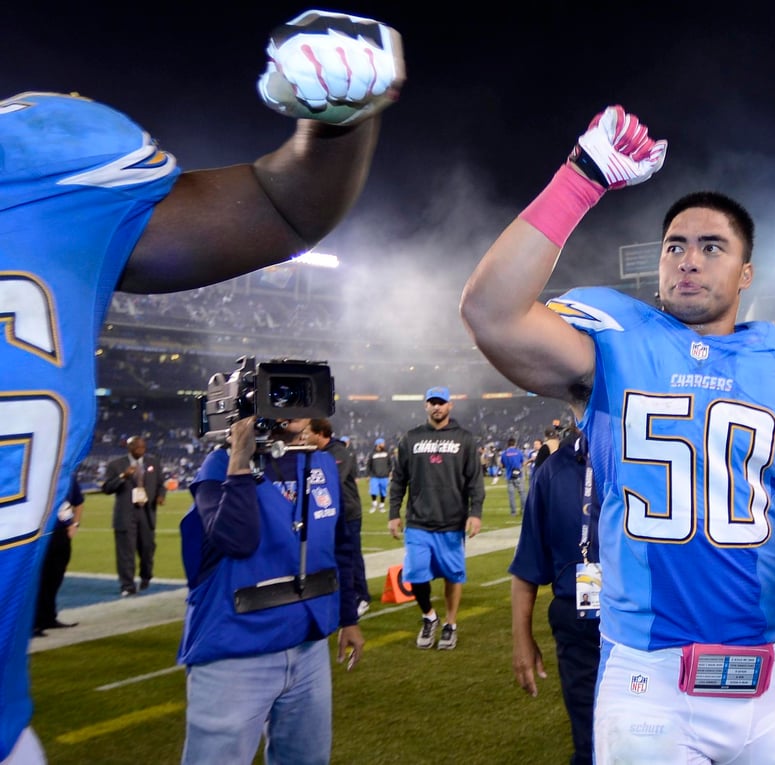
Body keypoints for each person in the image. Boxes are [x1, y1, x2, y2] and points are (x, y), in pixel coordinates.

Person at [460, 105, 775, 762]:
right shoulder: (616, 346)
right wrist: (582, 176)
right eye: (675, 245)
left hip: (772, 675)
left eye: (711, 246)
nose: (688, 259)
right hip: (648, 683)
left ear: (746, 273)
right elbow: (490, 312)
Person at [0, 9, 404, 762]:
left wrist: (338, 124)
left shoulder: (40, 157)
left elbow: (278, 206)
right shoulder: (225, 463)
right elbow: (223, 540)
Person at [178, 415, 363, 763]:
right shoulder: (220, 464)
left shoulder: (320, 461)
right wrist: (240, 460)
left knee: (307, 759)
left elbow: (339, 546)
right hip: (237, 645)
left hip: (308, 645)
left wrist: (348, 617)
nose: (292, 407)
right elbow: (237, 540)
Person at [510, 428, 600, 765]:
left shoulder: (644, 458)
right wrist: (521, 639)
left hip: (648, 626)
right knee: (590, 746)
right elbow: (528, 564)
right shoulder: (554, 471)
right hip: (581, 625)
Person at [388, 386, 485, 650]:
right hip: (418, 522)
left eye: (441, 402)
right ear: (425, 406)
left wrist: (475, 513)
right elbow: (398, 479)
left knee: (453, 576)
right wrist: (393, 513)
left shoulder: (464, 439)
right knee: (417, 575)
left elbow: (475, 480)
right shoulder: (411, 438)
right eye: (432, 402)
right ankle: (429, 616)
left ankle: (450, 624)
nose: (436, 407)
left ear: (450, 405)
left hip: (452, 522)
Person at [307, 418, 372, 616]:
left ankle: (361, 596)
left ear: (319, 433)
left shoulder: (339, 452)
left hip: (348, 513)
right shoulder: (316, 453)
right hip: (327, 514)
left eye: (308, 432)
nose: (304, 435)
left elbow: (331, 480)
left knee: (351, 556)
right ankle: (340, 593)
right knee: (330, 557)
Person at [101, 435, 166, 596]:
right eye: (137, 447)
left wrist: (161, 495)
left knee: (147, 548)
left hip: (146, 511)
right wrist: (123, 476)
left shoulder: (153, 463)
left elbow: (160, 484)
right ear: (129, 448)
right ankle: (127, 585)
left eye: (143, 447)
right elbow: (107, 488)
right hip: (126, 514)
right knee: (126, 551)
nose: (141, 450)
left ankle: (146, 576)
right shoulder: (116, 465)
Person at [33, 475, 85, 637]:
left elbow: (79, 502)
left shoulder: (68, 477)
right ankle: (34, 621)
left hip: (62, 533)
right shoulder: (39, 476)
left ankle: (49, 617)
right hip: (43, 534)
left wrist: (75, 524)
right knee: (40, 578)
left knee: (56, 576)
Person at [500, 437, 526, 515]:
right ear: (515, 443)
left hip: (509, 475)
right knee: (522, 493)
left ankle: (513, 512)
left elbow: (502, 464)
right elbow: (522, 463)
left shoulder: (504, 453)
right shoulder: (519, 452)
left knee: (511, 495)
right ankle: (523, 510)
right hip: (518, 475)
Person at [368, 438, 393, 513]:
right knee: (373, 491)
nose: (384, 444)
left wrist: (390, 472)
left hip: (384, 476)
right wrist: (368, 474)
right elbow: (369, 464)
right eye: (382, 443)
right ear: (378, 444)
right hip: (374, 476)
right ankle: (374, 505)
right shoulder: (372, 454)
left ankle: (381, 506)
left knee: (383, 492)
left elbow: (390, 463)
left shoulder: (387, 453)